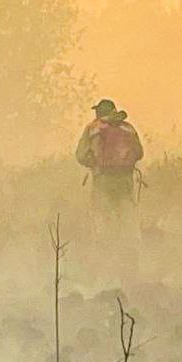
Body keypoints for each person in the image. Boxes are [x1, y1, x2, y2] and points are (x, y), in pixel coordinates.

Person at [76, 99, 144, 251]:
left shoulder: (93, 128)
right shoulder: (128, 128)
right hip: (125, 180)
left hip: (103, 180)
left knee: (102, 216)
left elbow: (80, 155)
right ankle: (130, 251)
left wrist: (94, 163)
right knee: (126, 216)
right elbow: (139, 152)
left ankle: (104, 252)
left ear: (99, 112)